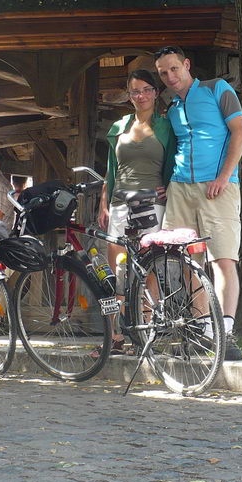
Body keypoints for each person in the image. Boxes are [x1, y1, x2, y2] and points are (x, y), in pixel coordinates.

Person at [154, 45, 242, 361]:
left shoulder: (216, 89)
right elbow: (176, 146)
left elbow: (240, 133)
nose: (169, 76)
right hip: (180, 188)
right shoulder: (172, 105)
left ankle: (227, 332)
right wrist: (168, 184)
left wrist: (224, 176)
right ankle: (203, 330)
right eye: (163, 73)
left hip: (218, 186)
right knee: (185, 259)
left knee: (223, 258)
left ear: (187, 64)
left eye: (174, 69)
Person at [97, 68, 177, 352]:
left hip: (151, 202)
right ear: (128, 95)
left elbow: (175, 161)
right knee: (115, 271)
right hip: (120, 202)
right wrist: (103, 201)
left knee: (150, 270)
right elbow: (111, 169)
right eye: (134, 91)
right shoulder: (119, 127)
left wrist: (169, 186)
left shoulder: (166, 126)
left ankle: (147, 332)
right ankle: (114, 337)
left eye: (146, 89)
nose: (140, 95)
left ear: (156, 93)